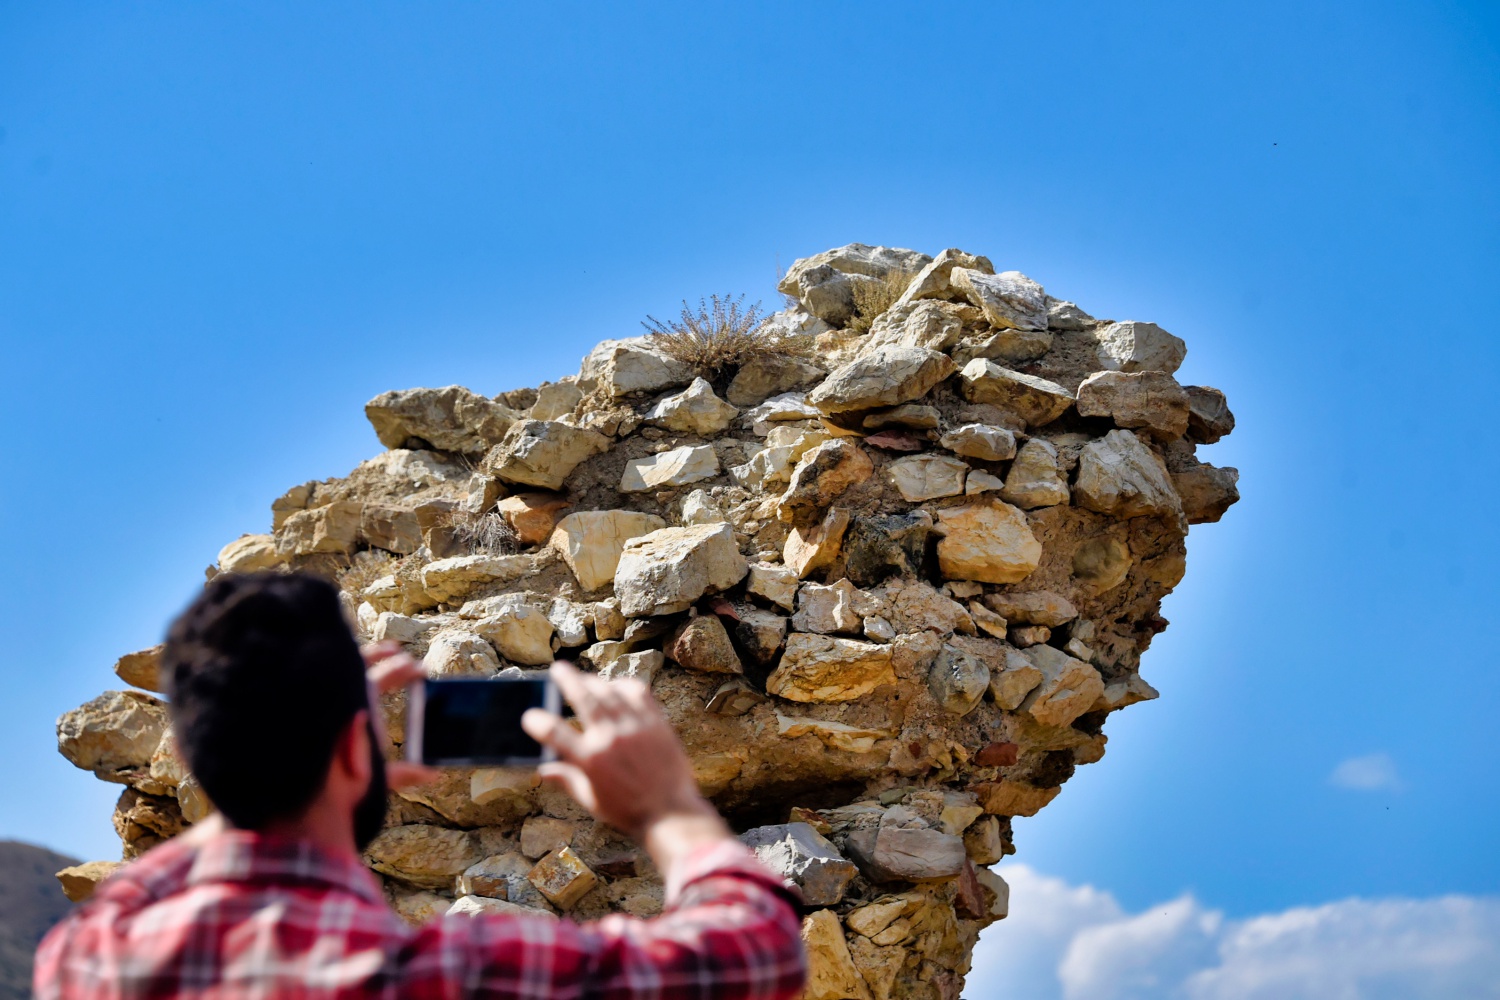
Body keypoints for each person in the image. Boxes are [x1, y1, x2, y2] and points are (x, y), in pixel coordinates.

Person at [35, 572, 807, 999]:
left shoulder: (87, 959)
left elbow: (137, 890)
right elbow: (756, 952)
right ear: (350, 747)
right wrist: (670, 806)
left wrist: (315, 758)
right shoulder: (447, 974)